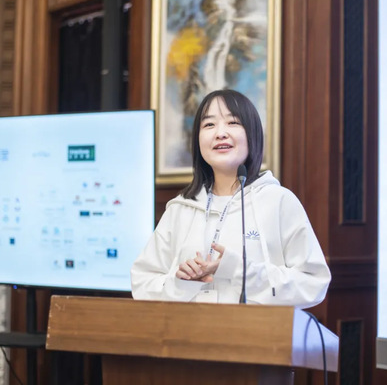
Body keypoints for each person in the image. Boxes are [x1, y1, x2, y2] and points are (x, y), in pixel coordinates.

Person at [131, 89, 330, 308]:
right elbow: (142, 283)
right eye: (209, 125)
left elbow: (314, 284)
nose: (220, 133)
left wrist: (238, 270)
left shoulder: (279, 201)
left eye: (233, 122)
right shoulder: (181, 208)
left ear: (252, 135)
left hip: (256, 330)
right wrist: (182, 283)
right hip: (187, 329)